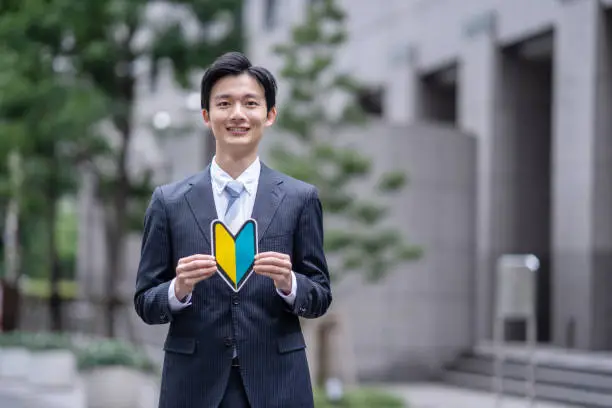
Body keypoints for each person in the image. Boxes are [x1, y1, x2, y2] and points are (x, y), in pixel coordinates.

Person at [133, 51, 332, 408]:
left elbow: (319, 296)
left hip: (278, 384)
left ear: (269, 115)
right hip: (194, 385)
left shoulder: (300, 199)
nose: (238, 114)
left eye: (250, 103)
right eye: (224, 103)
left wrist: (290, 284)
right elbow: (146, 302)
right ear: (207, 116)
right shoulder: (169, 202)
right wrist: (178, 289)